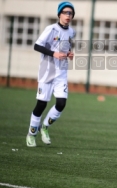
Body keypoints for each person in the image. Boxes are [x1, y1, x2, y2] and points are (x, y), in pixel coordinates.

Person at [26, 1, 76, 147]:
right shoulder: (51, 29)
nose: (68, 15)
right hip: (47, 72)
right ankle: (31, 134)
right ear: (59, 14)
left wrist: (68, 54)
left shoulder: (71, 32)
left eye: (70, 13)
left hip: (61, 74)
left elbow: (65, 46)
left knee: (61, 104)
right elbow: (37, 46)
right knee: (41, 104)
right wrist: (54, 53)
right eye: (65, 12)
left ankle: (45, 127)